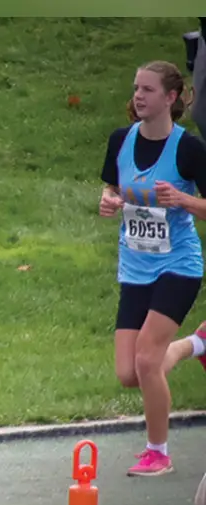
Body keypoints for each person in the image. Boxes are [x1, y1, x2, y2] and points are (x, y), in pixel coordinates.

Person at [98, 60, 206, 477]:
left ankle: (157, 452)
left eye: (147, 89)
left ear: (171, 97)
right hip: (134, 266)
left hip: (178, 265)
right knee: (129, 373)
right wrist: (108, 202)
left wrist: (184, 200)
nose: (138, 96)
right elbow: (111, 188)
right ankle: (192, 345)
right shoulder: (120, 140)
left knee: (146, 361)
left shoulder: (189, 148)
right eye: (136, 88)